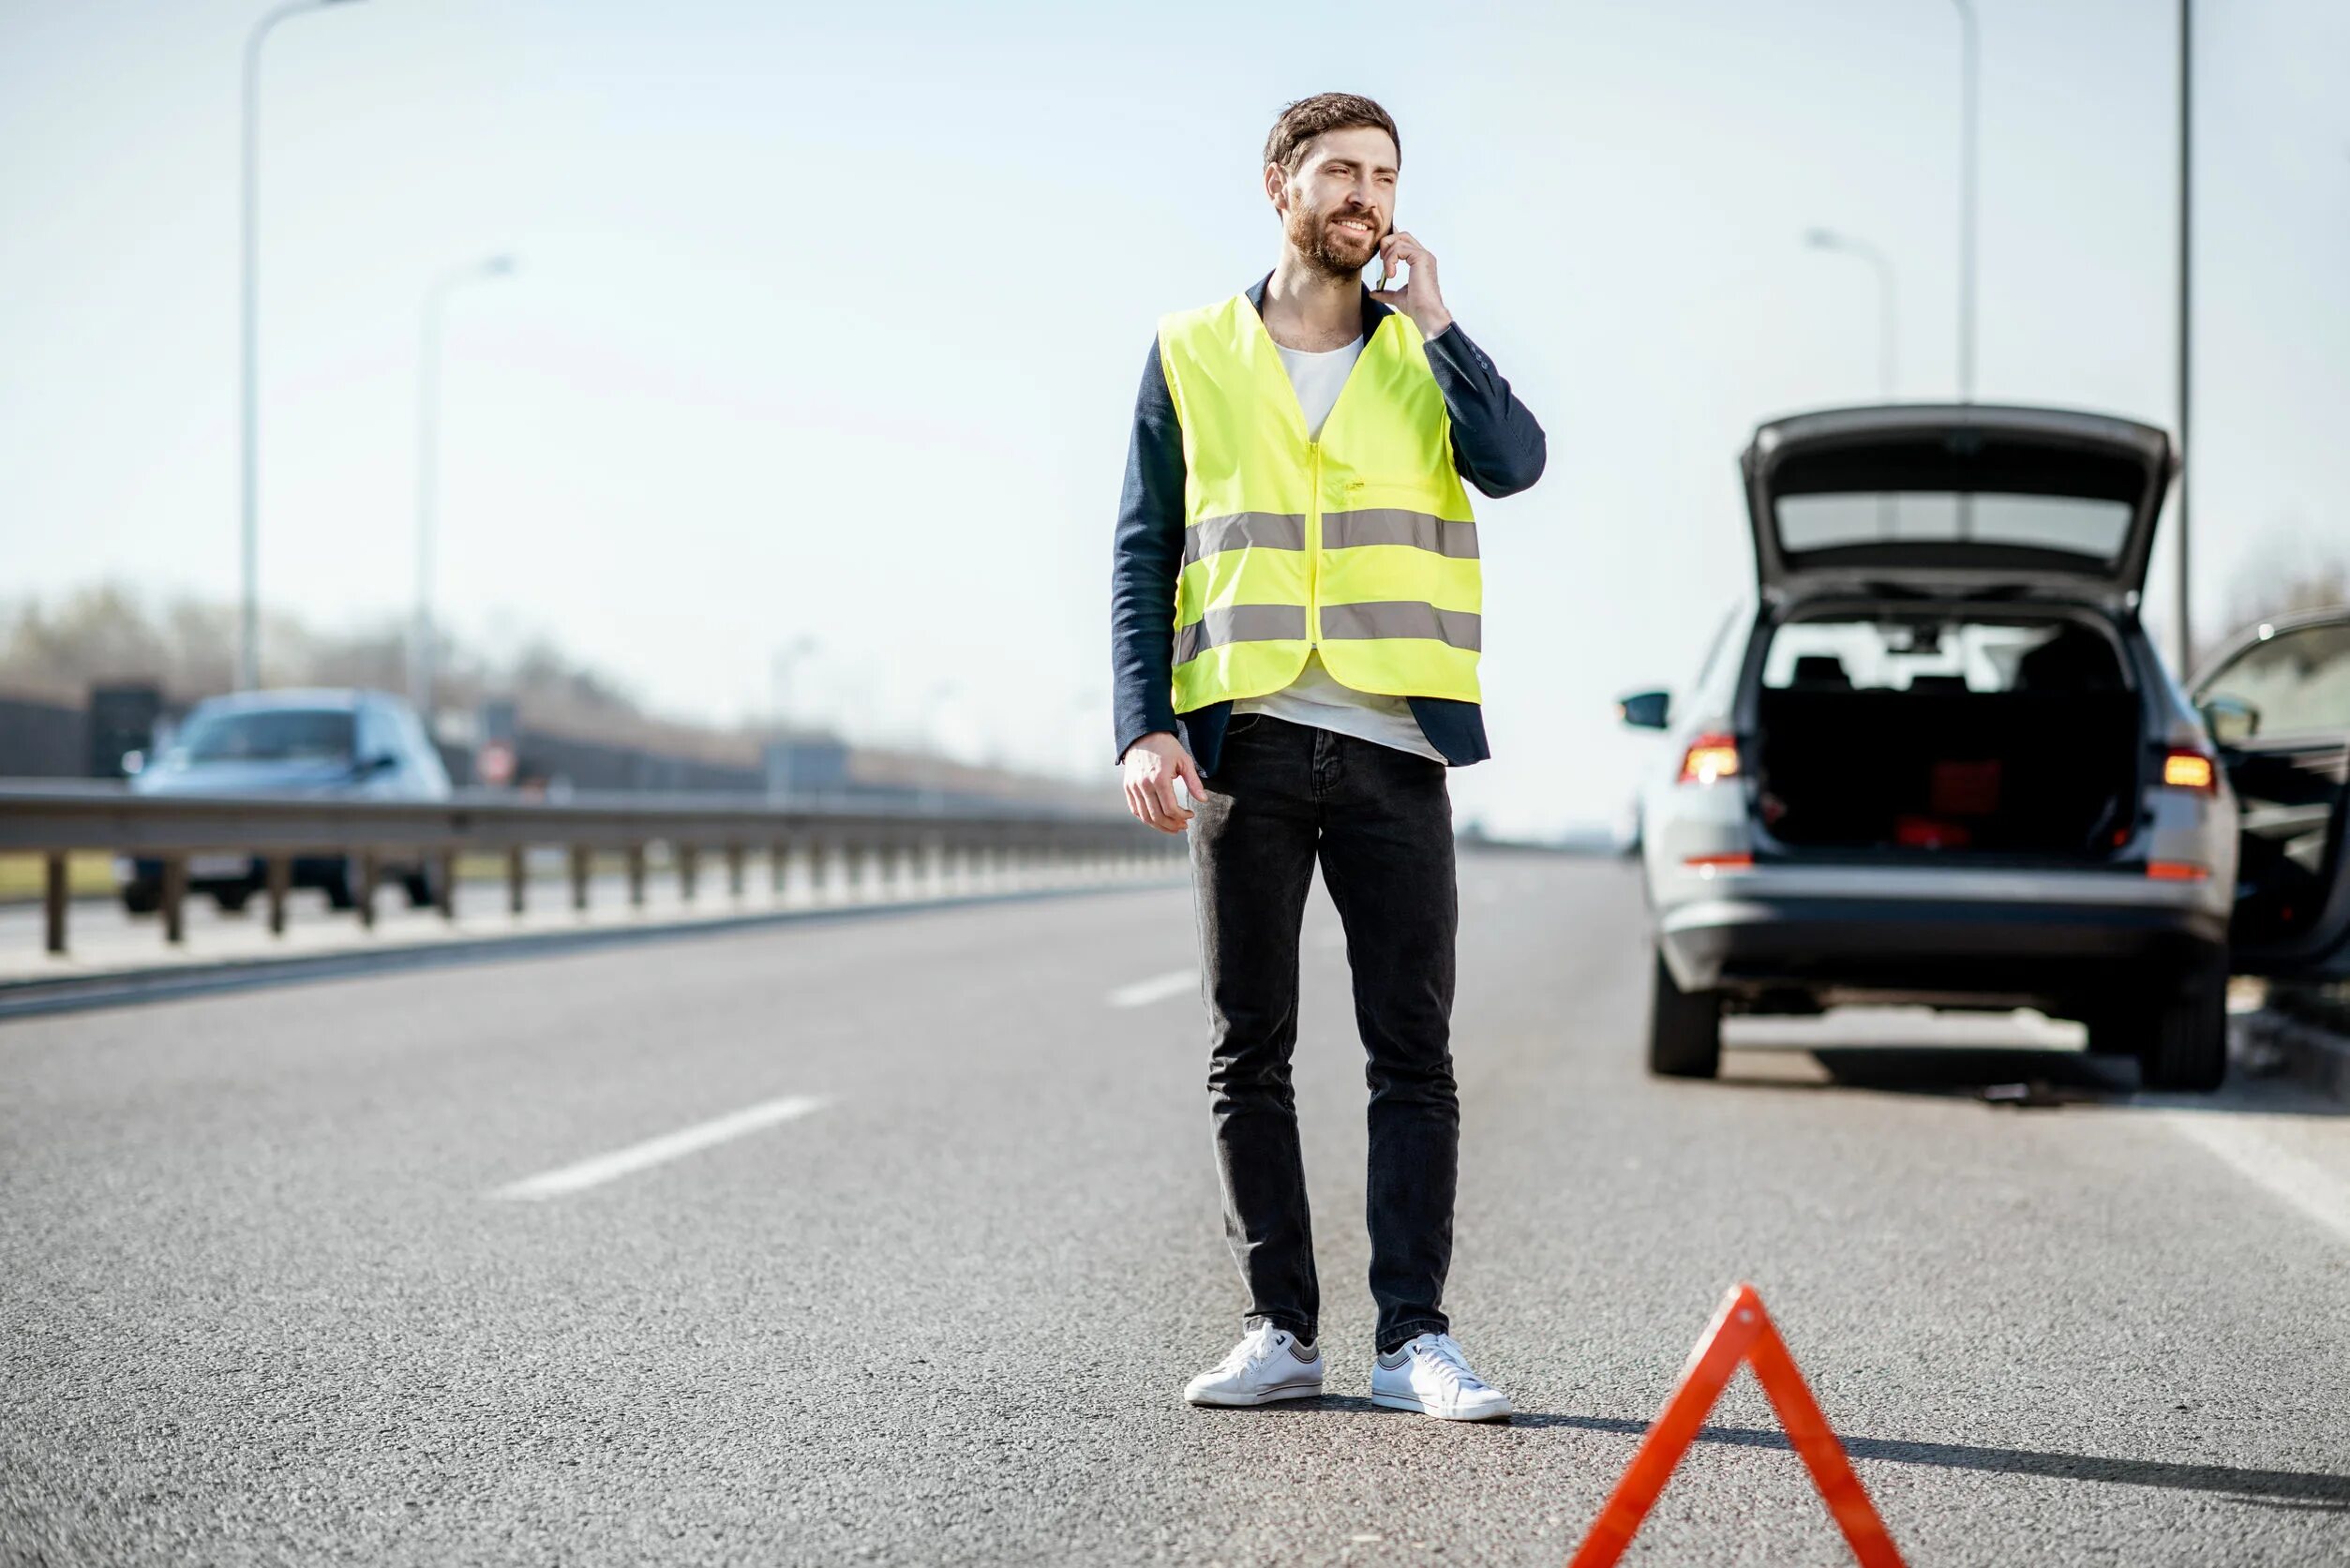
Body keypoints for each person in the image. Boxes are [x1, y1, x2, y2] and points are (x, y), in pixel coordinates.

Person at [1109, 92, 1547, 1422]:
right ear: (1279, 186)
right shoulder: (1190, 351)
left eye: (1385, 176)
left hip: (1393, 745)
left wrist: (1443, 322)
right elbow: (1141, 550)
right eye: (1341, 171)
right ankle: (1280, 1328)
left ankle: (1413, 1333)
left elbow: (1520, 463)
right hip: (1243, 741)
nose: (1366, 194)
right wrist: (1143, 720)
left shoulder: (1425, 354)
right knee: (1251, 1047)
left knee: (1411, 1052)